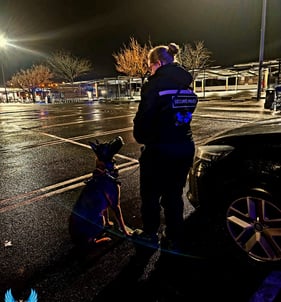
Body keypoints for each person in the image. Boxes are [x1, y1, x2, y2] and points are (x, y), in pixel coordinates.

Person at [133, 42, 196, 254]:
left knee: (150, 196)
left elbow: (142, 127)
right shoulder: (187, 84)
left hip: (159, 150)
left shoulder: (154, 85)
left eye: (150, 66)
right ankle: (174, 237)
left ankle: (150, 235)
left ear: (158, 63)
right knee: (173, 195)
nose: (149, 70)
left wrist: (144, 135)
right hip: (184, 146)